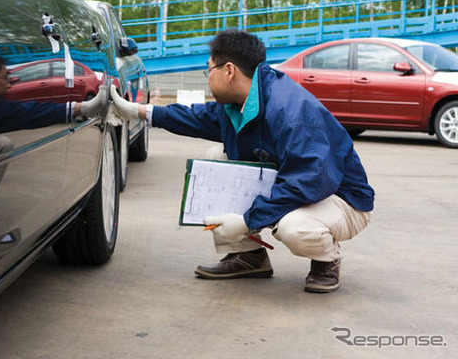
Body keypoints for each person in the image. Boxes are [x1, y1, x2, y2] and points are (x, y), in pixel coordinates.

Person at [110, 29, 374, 293]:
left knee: (293, 228)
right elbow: (195, 117)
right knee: (216, 159)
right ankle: (248, 257)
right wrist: (137, 111)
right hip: (299, 185)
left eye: (208, 70)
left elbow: (309, 181)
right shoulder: (239, 103)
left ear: (229, 71)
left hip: (339, 198)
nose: (208, 78)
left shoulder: (290, 110)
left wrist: (248, 220)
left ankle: (326, 259)